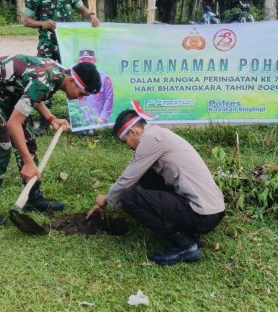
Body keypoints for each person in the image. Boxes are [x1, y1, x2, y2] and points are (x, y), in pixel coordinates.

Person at [0, 55, 102, 226]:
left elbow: (33, 95)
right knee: (1, 150)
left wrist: (51, 119)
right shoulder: (45, 79)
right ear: (71, 81)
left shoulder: (57, 75)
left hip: (9, 91)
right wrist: (27, 162)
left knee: (28, 142)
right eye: (81, 93)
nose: (80, 98)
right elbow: (13, 124)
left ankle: (33, 198)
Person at [87, 108, 225, 266]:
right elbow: (136, 174)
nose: (128, 146)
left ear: (133, 132)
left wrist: (106, 199)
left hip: (201, 214)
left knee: (127, 197)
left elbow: (127, 179)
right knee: (145, 173)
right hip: (212, 211)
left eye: (125, 141)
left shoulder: (151, 140)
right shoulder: (158, 134)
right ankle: (190, 234)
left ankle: (185, 244)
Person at [23, 0, 100, 63]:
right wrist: (42, 23)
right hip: (46, 45)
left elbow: (82, 9)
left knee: (67, 74)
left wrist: (91, 16)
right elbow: (27, 21)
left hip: (67, 43)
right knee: (45, 74)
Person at [74, 49, 114, 128]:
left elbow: (109, 98)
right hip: (79, 119)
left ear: (94, 60)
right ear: (79, 61)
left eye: (89, 59)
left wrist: (103, 118)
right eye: (83, 60)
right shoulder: (72, 78)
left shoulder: (104, 78)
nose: (86, 62)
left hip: (98, 120)